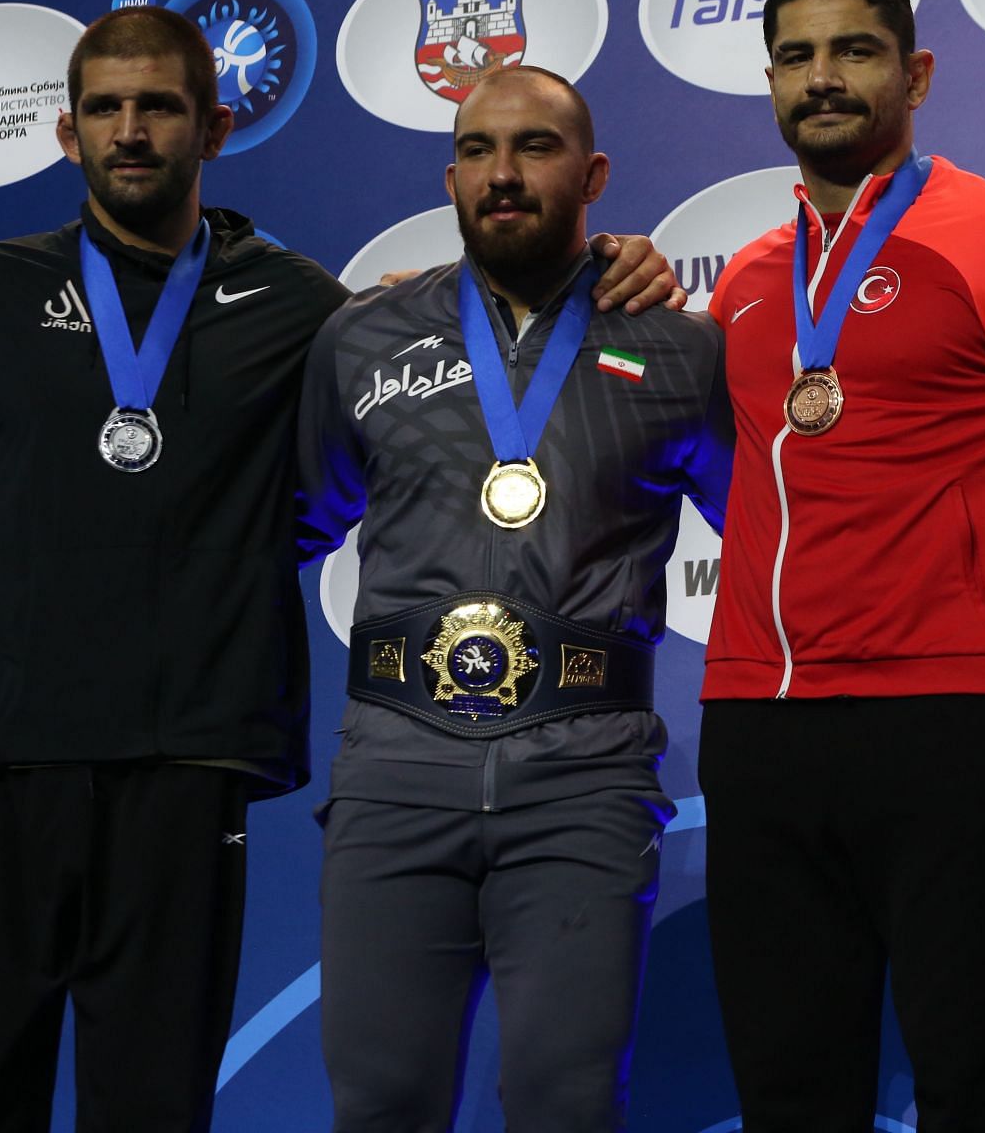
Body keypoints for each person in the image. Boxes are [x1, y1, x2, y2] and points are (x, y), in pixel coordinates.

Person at [0, 7, 679, 1132]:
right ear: (65, 133)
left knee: (155, 1109)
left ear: (218, 126)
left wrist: (608, 261)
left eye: (159, 106)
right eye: (106, 108)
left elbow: (474, 322)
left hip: (184, 771)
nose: (131, 131)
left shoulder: (305, 309)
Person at [697, 0, 985, 1131]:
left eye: (855, 50)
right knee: (789, 1089)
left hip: (957, 713)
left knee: (977, 1079)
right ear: (770, 79)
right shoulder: (744, 280)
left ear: (917, 71)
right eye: (796, 55)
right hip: (760, 722)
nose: (822, 78)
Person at [295, 65, 733, 1133]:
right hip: (396, 775)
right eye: (480, 151)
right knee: (381, 1102)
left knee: (566, 1103)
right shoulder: (364, 335)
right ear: (450, 176)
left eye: (535, 147)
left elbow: (773, 539)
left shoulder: (682, 347)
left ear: (592, 174)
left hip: (583, 780)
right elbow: (290, 523)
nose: (504, 174)